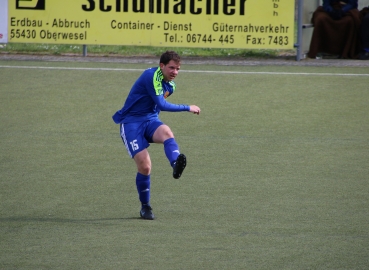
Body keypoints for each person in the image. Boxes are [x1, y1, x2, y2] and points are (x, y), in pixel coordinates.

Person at [112, 51, 201, 220]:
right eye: (172, 68)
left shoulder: (170, 86)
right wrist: (187, 107)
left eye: (178, 69)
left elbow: (156, 107)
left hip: (150, 121)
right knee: (145, 167)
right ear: (162, 66)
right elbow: (161, 104)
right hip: (131, 123)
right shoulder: (151, 76)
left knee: (167, 132)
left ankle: (176, 164)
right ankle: (145, 206)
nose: (175, 72)